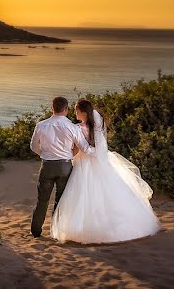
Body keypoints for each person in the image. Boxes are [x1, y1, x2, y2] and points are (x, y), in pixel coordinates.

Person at [51, 99, 161, 243]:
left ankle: (85, 231)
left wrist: (67, 155)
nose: (75, 112)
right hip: (98, 161)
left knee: (84, 194)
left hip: (84, 163)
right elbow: (99, 146)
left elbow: (80, 149)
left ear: (83, 112)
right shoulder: (96, 125)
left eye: (77, 110)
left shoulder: (78, 128)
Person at [29, 96, 94, 238]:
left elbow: (33, 146)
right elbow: (85, 148)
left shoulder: (40, 125)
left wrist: (44, 153)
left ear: (52, 108)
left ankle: (35, 232)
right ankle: (55, 231)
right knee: (61, 200)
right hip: (65, 166)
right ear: (66, 109)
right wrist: (101, 153)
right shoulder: (72, 127)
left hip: (47, 166)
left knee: (42, 200)